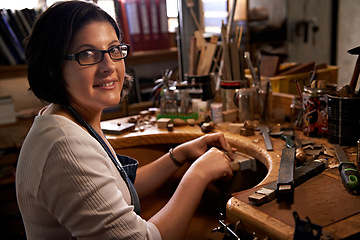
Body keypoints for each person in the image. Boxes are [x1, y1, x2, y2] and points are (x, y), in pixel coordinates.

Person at [16, 1, 236, 239]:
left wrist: (178, 156)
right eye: (88, 54)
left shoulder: (65, 118)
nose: (109, 66)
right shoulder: (65, 146)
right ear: (52, 67)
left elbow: (118, 190)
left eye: (113, 49)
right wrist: (198, 174)